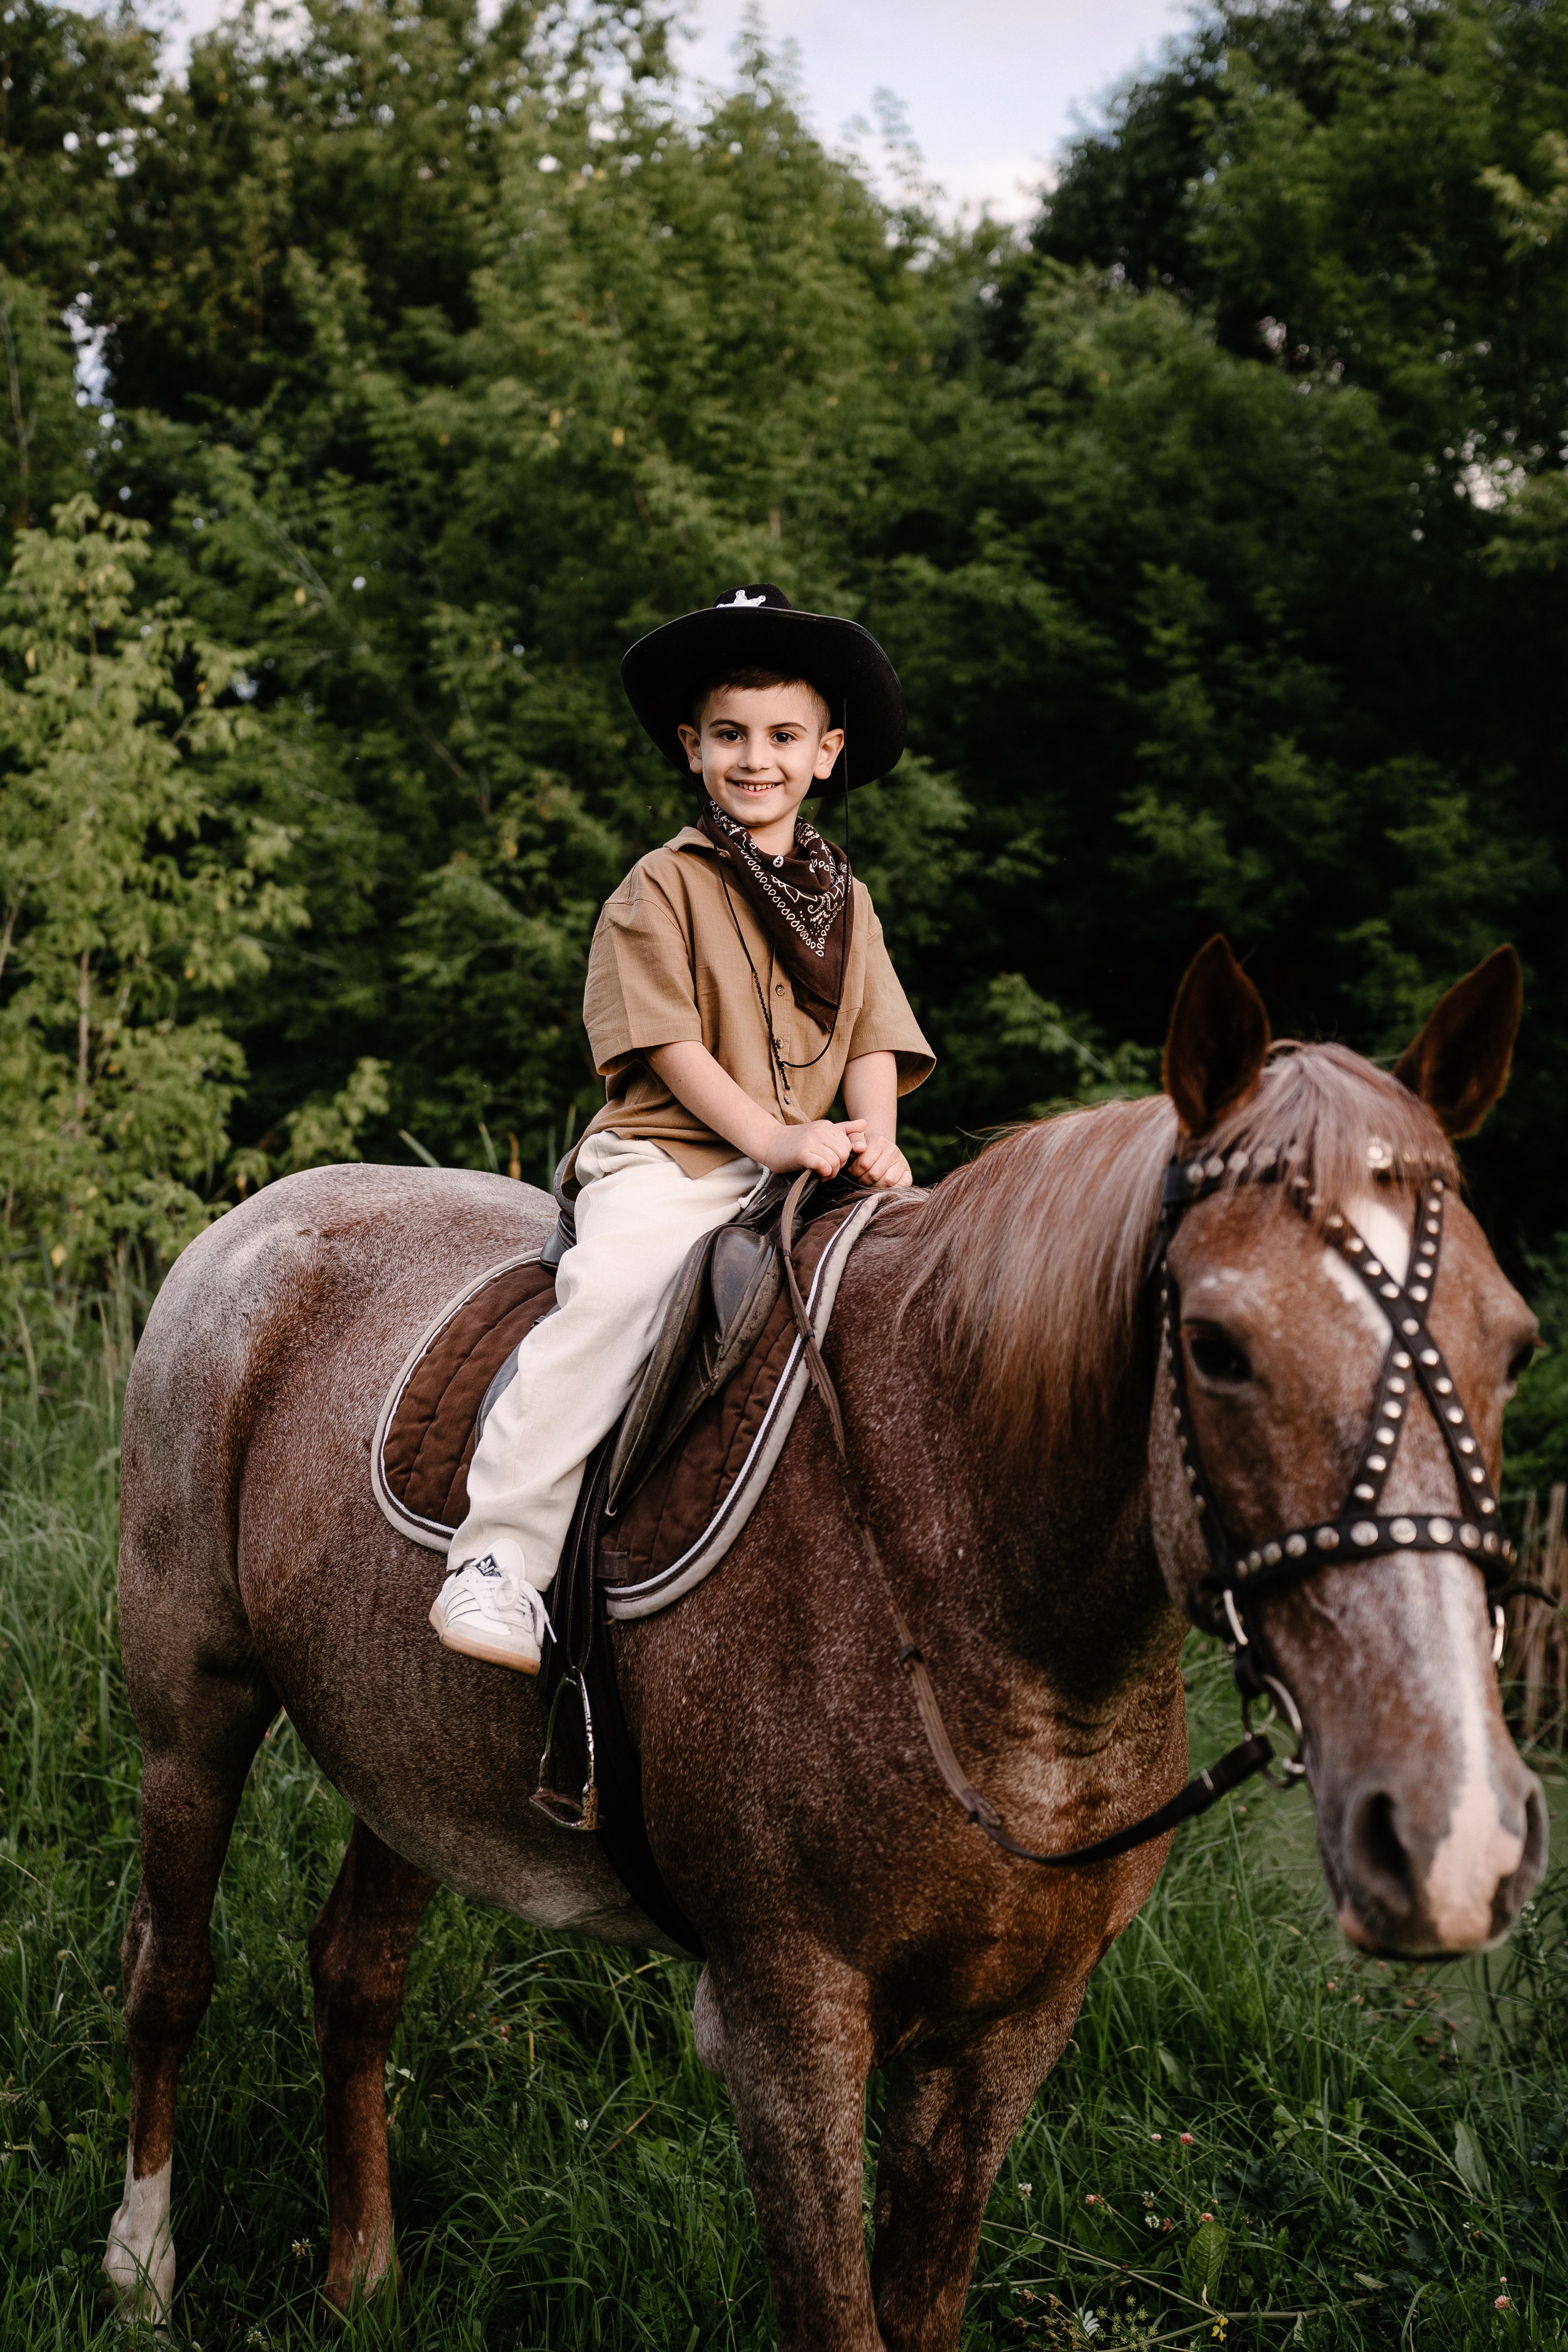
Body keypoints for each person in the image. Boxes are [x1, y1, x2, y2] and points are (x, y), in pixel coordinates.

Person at [428, 583, 934, 1671]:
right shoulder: (660, 886)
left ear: (828, 753)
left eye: (784, 736)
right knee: (614, 1292)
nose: (758, 758)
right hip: (677, 1159)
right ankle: (500, 1558)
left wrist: (877, 1135)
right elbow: (671, 1048)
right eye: (732, 737)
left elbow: (875, 1037)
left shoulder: (847, 899)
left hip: (814, 1163)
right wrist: (773, 1138)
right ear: (692, 748)